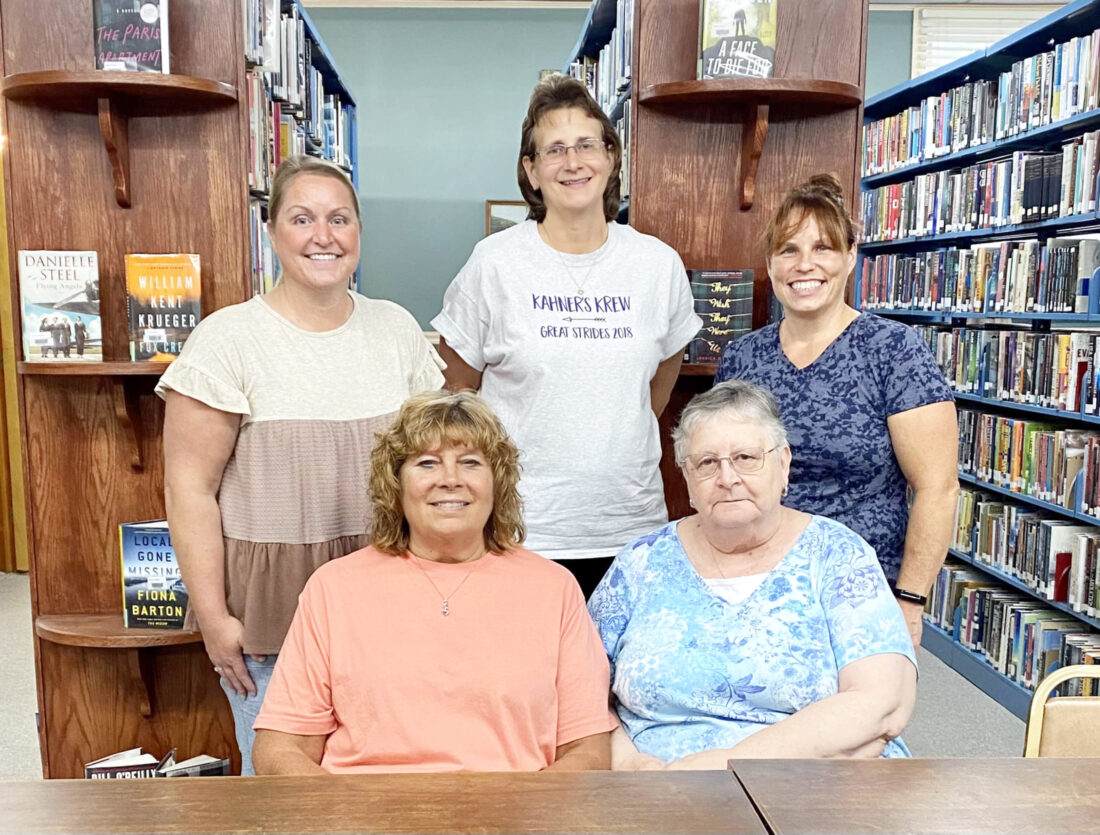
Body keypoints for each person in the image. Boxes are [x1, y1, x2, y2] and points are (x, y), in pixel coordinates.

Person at [158, 155, 444, 774]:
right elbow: (189, 491)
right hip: (271, 612)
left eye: (339, 219)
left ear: (359, 233)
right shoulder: (226, 339)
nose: (323, 236)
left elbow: (435, 470)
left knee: (389, 772)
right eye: (302, 218)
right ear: (273, 231)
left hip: (392, 601)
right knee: (286, 788)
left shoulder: (396, 331)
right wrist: (213, 617)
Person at [432, 75, 701, 597]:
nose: (572, 162)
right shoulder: (495, 265)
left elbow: (657, 389)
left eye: (586, 145)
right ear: (531, 171)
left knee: (616, 678)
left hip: (628, 526)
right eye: (554, 149)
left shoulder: (656, 265)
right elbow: (455, 398)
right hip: (522, 530)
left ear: (611, 157)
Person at [252, 390, 616, 774]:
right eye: (427, 463)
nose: (450, 480)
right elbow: (280, 748)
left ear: (498, 482)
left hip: (512, 818)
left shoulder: (554, 589)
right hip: (364, 819)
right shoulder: (333, 589)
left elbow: (587, 752)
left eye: (470, 463)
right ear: (395, 484)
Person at [589, 381, 918, 768]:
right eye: (707, 463)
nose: (727, 478)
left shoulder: (837, 554)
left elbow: (881, 704)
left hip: (811, 782)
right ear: (686, 477)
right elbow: (580, 695)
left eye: (745, 457)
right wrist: (631, 765)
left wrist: (726, 764)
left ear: (783, 464)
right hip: (657, 787)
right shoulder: (639, 562)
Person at [715, 173, 958, 648]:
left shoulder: (894, 351)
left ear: (850, 256)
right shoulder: (742, 359)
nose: (804, 264)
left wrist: (910, 600)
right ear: (770, 263)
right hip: (753, 583)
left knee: (856, 719)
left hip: (859, 593)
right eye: (788, 250)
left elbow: (938, 488)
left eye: (823, 248)